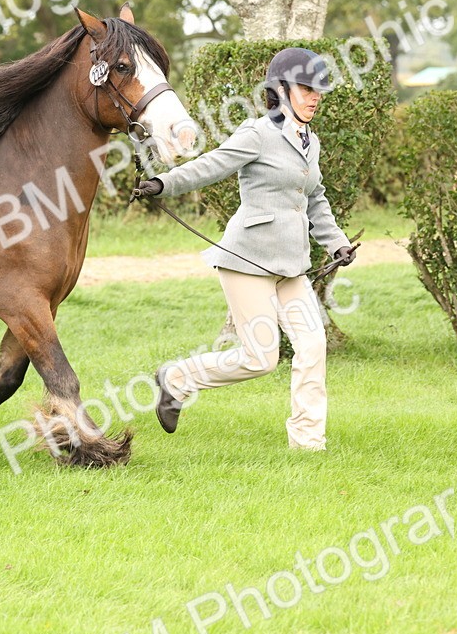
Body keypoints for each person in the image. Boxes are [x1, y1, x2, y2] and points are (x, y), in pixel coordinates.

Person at [133, 47, 356, 450]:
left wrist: (337, 243)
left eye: (318, 90)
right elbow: (212, 165)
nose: (315, 97)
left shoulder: (311, 141)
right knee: (261, 359)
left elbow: (316, 198)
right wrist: (165, 184)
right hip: (246, 261)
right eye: (306, 88)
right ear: (281, 89)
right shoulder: (258, 133)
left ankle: (308, 443)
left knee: (312, 346)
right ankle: (177, 378)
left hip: (292, 266)